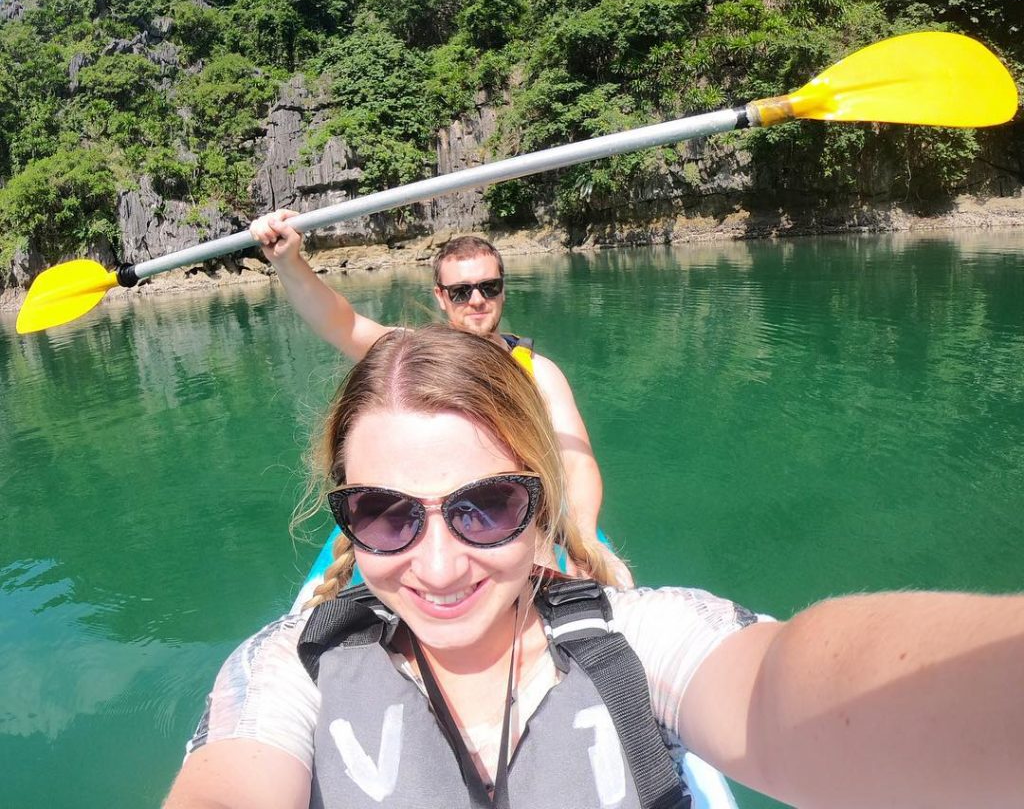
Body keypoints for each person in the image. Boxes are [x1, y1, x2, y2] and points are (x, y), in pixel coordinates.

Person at [165, 326, 1024, 809]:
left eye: (486, 506)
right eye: (385, 513)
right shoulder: (293, 669)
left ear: (539, 505)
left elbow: (788, 690)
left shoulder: (637, 645)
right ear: (344, 514)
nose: (435, 565)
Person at [249, 209, 605, 542]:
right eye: (461, 291)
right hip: (427, 517)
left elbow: (576, 459)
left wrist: (584, 538)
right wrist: (288, 262)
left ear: (503, 288)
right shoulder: (416, 355)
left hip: (511, 517)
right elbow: (343, 323)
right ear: (441, 296)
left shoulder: (537, 372)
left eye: (489, 287)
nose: (477, 300)